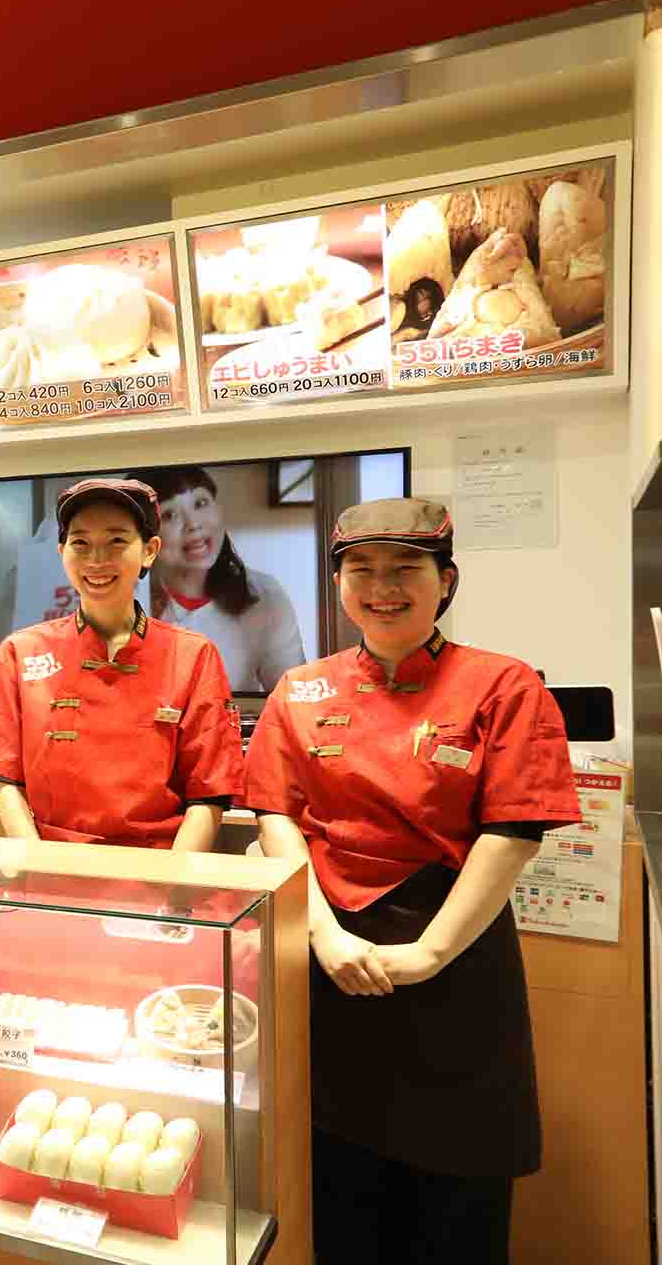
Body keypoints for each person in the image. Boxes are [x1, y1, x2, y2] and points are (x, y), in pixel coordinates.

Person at [242, 498, 581, 1264]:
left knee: (458, 1214)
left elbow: (513, 832)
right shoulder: (300, 690)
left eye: (405, 569)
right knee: (341, 1198)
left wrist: (429, 953)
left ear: (446, 580)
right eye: (361, 570)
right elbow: (275, 817)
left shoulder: (503, 685)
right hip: (329, 959)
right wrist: (323, 934)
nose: (382, 587)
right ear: (338, 585)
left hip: (455, 962)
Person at [0, 478, 242, 850]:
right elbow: (6, 781)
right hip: (52, 863)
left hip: (159, 867)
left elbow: (208, 793)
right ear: (62, 552)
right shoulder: (20, 653)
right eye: (80, 543)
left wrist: (172, 878)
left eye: (116, 541)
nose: (96, 560)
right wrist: (36, 867)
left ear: (149, 551)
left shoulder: (194, 656)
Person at [128, 465, 305, 693]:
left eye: (200, 503)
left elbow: (292, 696)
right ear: (146, 538)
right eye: (170, 515)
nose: (194, 524)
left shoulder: (264, 593)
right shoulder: (124, 597)